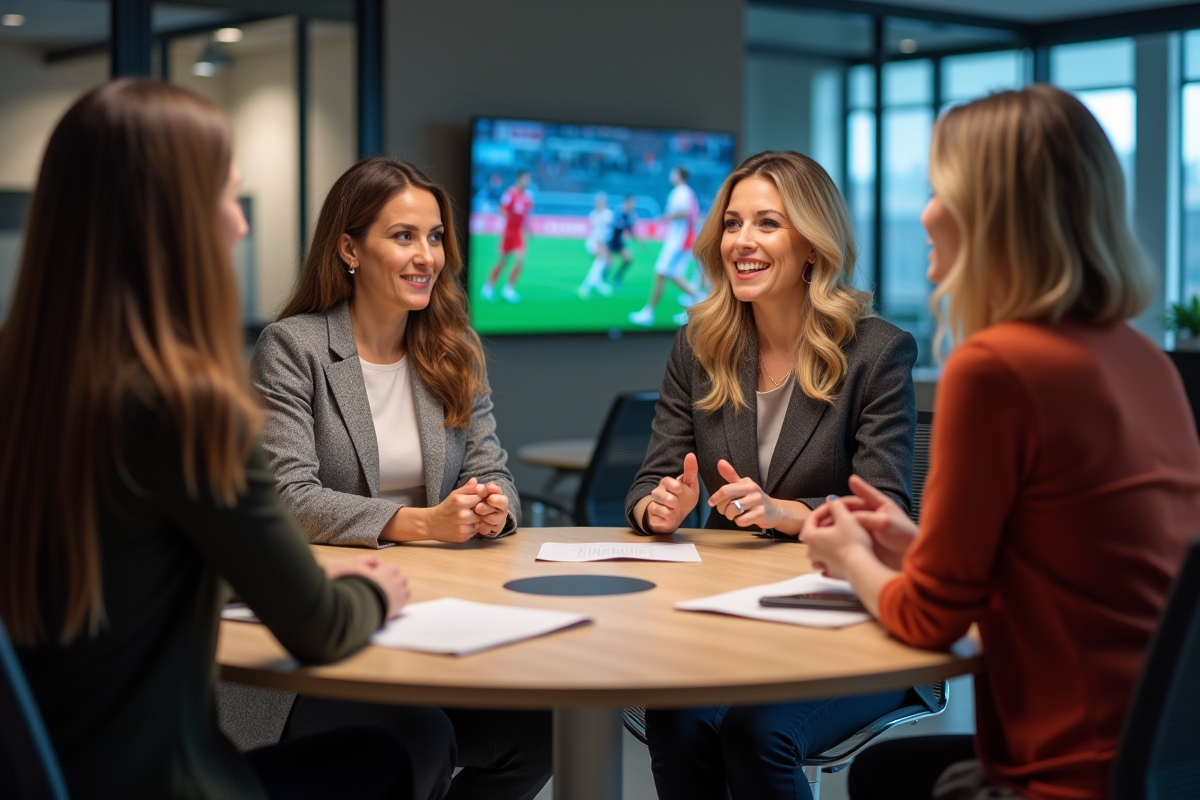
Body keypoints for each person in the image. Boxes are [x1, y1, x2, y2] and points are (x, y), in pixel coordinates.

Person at [0, 79, 413, 800]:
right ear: (173, 219)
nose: (241, 225)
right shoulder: (183, 407)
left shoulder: (23, 382)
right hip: (164, 781)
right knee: (394, 753)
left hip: (50, 772)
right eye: (228, 195)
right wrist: (374, 590)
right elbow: (319, 628)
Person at [802, 85, 1200, 800]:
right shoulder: (1145, 361)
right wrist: (915, 546)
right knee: (887, 775)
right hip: (1159, 764)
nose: (924, 213)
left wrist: (850, 556)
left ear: (989, 213)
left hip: (1067, 774)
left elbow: (928, 621)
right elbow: (1078, 571)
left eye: (937, 190)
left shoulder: (997, 368)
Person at [624, 150, 932, 800]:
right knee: (676, 719)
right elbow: (650, 483)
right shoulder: (699, 345)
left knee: (756, 733)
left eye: (768, 223)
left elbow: (887, 510)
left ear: (812, 245)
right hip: (732, 613)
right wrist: (661, 507)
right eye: (733, 224)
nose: (743, 241)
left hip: (856, 617)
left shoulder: (877, 352)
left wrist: (786, 513)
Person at [251, 156, 550, 800]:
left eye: (435, 237)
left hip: (433, 617)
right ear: (349, 249)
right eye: (403, 236)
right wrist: (423, 523)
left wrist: (493, 506)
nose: (427, 256)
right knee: (419, 739)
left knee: (538, 732)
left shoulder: (452, 347)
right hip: (325, 633)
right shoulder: (293, 347)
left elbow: (493, 470)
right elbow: (288, 498)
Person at [629, 166, 702, 326]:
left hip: (679, 240)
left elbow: (685, 212)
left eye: (673, 172)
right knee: (673, 274)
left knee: (660, 272)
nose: (671, 175)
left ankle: (648, 313)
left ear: (679, 175)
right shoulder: (685, 192)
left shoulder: (681, 191)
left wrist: (665, 217)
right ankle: (700, 302)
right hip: (680, 239)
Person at [482, 169, 533, 303]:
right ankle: (488, 287)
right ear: (519, 179)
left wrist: (529, 228)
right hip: (508, 232)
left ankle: (508, 289)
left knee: (520, 260)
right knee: (502, 262)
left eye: (528, 179)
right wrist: (507, 216)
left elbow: (526, 215)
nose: (527, 181)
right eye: (525, 178)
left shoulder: (528, 196)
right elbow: (502, 208)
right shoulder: (510, 193)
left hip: (518, 233)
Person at [578, 191, 615, 298]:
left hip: (604, 242)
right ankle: (586, 287)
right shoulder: (593, 215)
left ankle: (598, 285)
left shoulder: (609, 214)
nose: (599, 204)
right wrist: (601, 247)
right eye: (597, 202)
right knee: (600, 261)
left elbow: (608, 231)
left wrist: (606, 247)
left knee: (601, 263)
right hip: (593, 242)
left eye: (601, 202)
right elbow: (596, 233)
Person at [605, 194, 640, 287]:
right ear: (626, 202)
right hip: (609, 240)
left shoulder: (630, 215)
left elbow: (630, 230)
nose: (633, 205)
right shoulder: (616, 212)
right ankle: (601, 278)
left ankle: (617, 278)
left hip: (618, 241)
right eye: (632, 203)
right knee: (609, 264)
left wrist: (638, 241)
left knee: (629, 259)